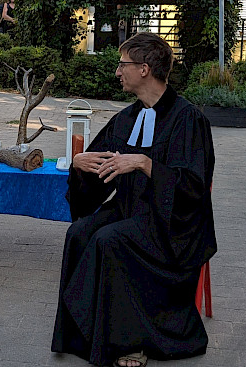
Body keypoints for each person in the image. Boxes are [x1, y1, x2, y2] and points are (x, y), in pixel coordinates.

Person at [51, 32, 216, 367]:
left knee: (111, 240)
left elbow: (194, 187)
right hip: (130, 210)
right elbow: (101, 171)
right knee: (80, 233)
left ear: (144, 69)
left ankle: (132, 342)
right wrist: (82, 166)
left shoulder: (188, 119)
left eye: (122, 64)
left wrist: (145, 163)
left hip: (173, 226)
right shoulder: (126, 118)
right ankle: (82, 333)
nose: (117, 71)